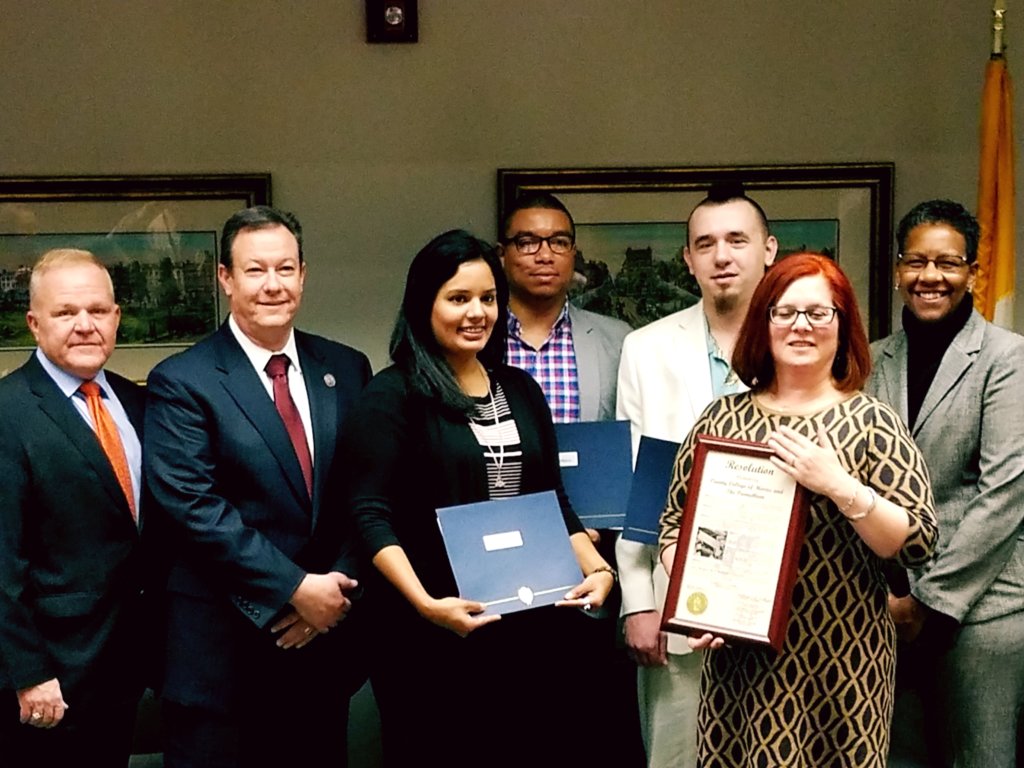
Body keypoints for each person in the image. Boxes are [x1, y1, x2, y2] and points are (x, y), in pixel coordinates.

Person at [342, 229, 616, 767]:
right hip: (431, 634)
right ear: (424, 304)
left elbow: (551, 498)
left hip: (526, 628)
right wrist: (425, 604)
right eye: (458, 298)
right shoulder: (392, 396)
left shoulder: (520, 390)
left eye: (488, 299)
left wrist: (599, 569)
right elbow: (370, 515)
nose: (477, 313)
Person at [659, 253, 938, 767]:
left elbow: (917, 540)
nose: (800, 326)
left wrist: (838, 485)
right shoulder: (720, 418)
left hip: (843, 661)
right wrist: (698, 595)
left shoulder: (873, 421)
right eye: (783, 312)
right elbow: (675, 526)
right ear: (763, 323)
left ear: (843, 323)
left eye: (818, 312)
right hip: (741, 662)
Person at [144, 206, 372, 767]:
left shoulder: (346, 368)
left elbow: (363, 492)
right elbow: (195, 509)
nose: (273, 285)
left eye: (285, 268)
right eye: (254, 270)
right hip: (223, 657)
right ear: (224, 278)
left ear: (303, 274)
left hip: (321, 652)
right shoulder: (182, 380)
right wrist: (296, 589)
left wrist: (334, 596)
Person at [615, 184, 777, 766]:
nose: (721, 256)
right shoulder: (646, 349)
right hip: (675, 601)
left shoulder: (806, 343)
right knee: (676, 755)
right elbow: (640, 482)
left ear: (769, 250)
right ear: (687, 259)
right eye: (704, 244)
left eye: (737, 240)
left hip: (785, 604)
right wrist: (637, 600)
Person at [868, 199, 1024, 767]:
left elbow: (1004, 496)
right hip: (887, 609)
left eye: (948, 263)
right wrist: (898, 597)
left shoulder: (1008, 359)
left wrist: (929, 604)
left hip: (983, 612)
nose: (930, 277)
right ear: (898, 271)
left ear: (972, 274)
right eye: (916, 262)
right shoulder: (873, 359)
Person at [499, 191, 643, 764]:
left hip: (593, 563)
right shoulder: (476, 334)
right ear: (503, 253)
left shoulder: (617, 340)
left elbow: (629, 444)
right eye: (527, 241)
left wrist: (602, 537)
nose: (544, 253)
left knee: (586, 727)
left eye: (558, 241)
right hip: (497, 558)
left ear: (574, 253)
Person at [0, 249, 147, 766]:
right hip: (49, 679)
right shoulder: (8, 412)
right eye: (66, 313)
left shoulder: (139, 403)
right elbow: (1, 561)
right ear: (34, 324)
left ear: (116, 318)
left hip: (128, 664)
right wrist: (29, 673)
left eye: (98, 310)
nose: (85, 325)